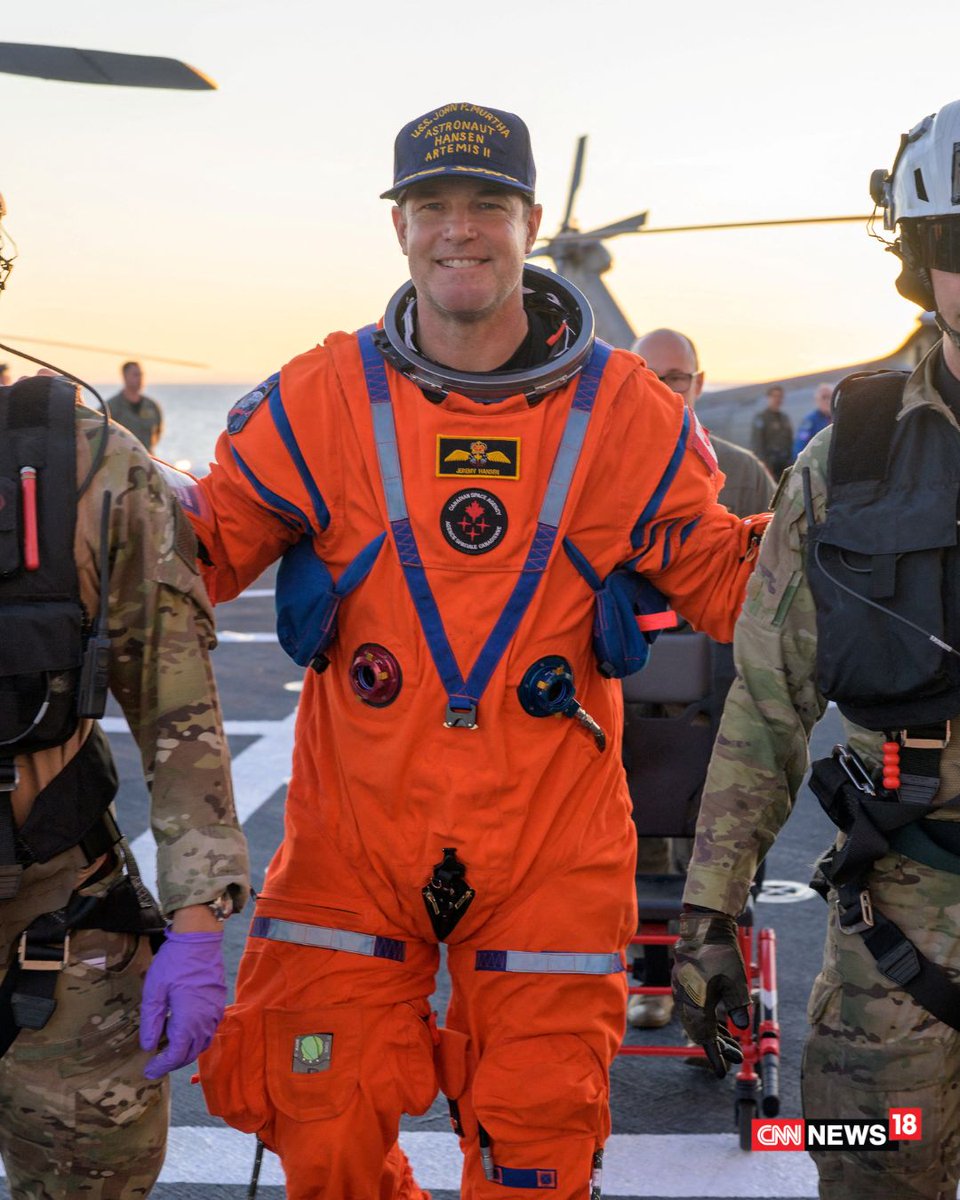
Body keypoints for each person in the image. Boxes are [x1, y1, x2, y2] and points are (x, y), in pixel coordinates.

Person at [179, 102, 769, 1200]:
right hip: (350, 858)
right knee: (323, 1125)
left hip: (548, 855)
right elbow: (192, 556)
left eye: (487, 205)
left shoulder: (628, 414)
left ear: (532, 221)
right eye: (434, 205)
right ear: (398, 226)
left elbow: (735, 588)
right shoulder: (323, 400)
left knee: (538, 1144)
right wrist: (82, 487)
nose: (462, 229)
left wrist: (853, 530)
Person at [673, 99, 960, 1200]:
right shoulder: (847, 460)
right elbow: (765, 697)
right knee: (867, 1169)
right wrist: (709, 916)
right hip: (898, 949)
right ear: (919, 263)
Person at [0, 194, 249, 1197]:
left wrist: (195, 925)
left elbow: (177, 704)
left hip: (50, 919)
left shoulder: (89, 464)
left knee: (92, 1174)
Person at [625, 328, 774, 1028]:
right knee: (636, 848)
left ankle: (714, 990)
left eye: (676, 378)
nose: (664, 390)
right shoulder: (604, 476)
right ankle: (654, 979)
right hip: (630, 703)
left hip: (720, 699)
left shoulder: (743, 475)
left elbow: (767, 595)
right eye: (649, 377)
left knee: (724, 851)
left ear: (700, 384)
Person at [107, 360, 163, 451]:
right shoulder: (111, 407)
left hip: (148, 460)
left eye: (141, 375)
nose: (140, 378)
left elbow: (158, 433)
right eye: (135, 375)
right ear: (125, 377)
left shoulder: (152, 406)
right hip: (123, 461)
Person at [750, 383, 793, 478]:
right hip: (770, 464)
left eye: (780, 396)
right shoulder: (762, 418)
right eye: (775, 396)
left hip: (785, 463)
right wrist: (764, 465)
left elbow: (790, 441)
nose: (778, 399)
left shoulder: (784, 418)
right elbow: (758, 444)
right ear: (768, 398)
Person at [792, 381, 833, 458]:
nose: (827, 401)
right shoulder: (809, 421)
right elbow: (800, 447)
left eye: (830, 397)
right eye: (824, 397)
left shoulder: (837, 418)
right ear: (817, 400)